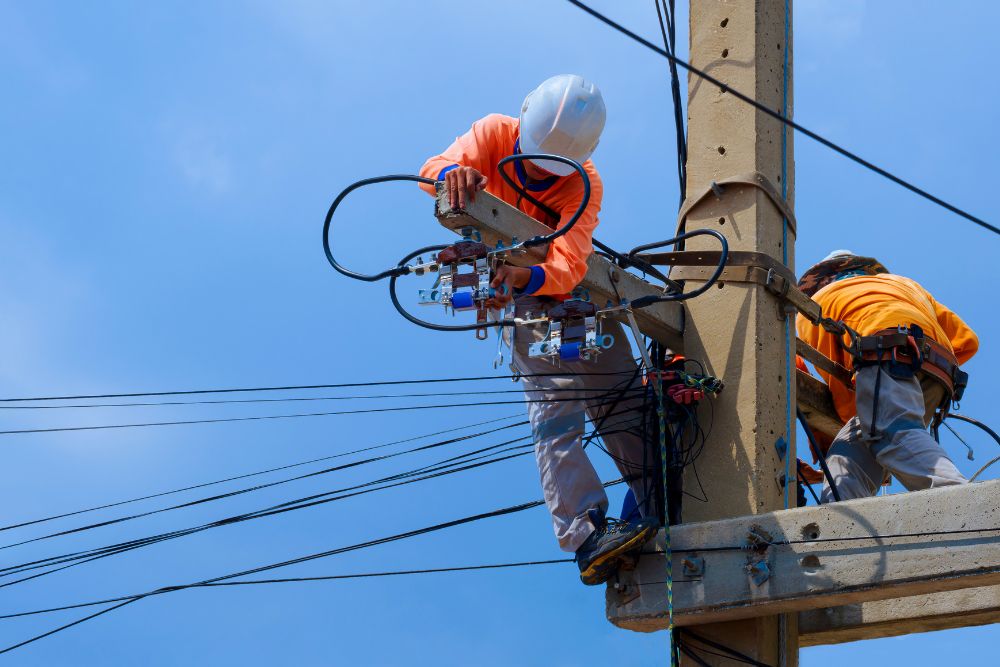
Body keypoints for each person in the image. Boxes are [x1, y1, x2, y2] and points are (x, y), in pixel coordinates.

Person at [419, 75, 658, 585]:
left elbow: (570, 262)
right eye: (532, 164)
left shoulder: (582, 182)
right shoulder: (492, 133)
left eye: (550, 172)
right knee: (557, 412)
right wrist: (453, 175)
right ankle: (585, 534)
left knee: (627, 404)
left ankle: (660, 503)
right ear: (521, 125)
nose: (539, 177)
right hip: (527, 303)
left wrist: (524, 273)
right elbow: (430, 172)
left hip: (565, 294)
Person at [796, 250, 979, 503]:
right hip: (940, 373)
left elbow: (786, 365)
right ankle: (837, 529)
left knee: (891, 432)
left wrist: (821, 438)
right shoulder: (907, 286)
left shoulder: (813, 305)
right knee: (847, 453)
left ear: (822, 280)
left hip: (883, 353)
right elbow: (968, 341)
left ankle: (972, 507)